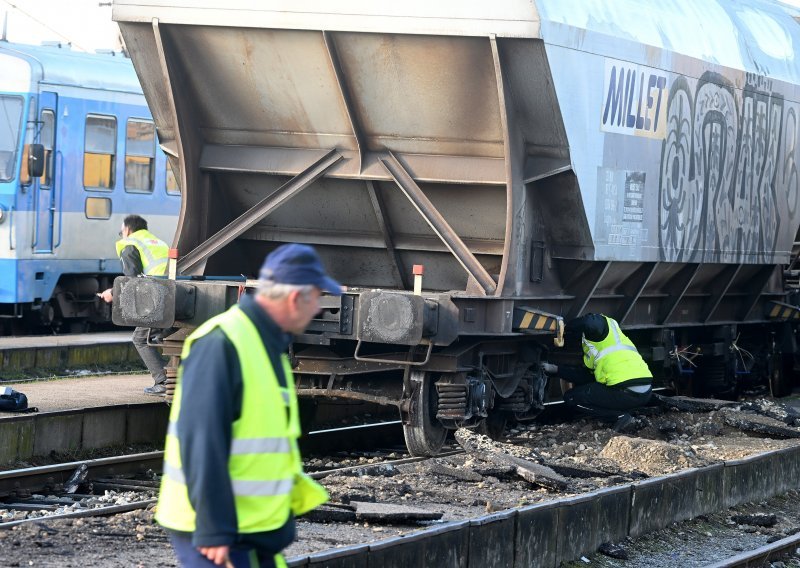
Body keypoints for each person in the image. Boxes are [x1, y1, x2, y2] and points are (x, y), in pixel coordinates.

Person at [156, 244, 337, 567]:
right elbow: (202, 440)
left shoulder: (265, 345)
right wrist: (214, 530)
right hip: (217, 531)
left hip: (251, 529)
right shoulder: (222, 344)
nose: (319, 311)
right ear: (296, 298)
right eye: (317, 299)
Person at [543, 313, 653, 432]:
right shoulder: (617, 340)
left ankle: (619, 417)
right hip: (646, 392)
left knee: (571, 398)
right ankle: (627, 412)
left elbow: (588, 322)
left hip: (624, 392)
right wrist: (557, 370)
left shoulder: (602, 326)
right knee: (589, 390)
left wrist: (564, 326)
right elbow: (587, 377)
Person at [99, 214, 170, 396]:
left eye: (121, 231)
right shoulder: (158, 242)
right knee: (167, 337)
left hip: (156, 297)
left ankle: (163, 382)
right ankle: (179, 377)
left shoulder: (130, 244)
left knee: (140, 339)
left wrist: (113, 294)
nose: (121, 235)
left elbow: (131, 280)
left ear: (128, 230)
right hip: (175, 294)